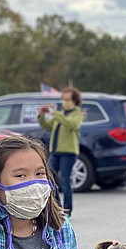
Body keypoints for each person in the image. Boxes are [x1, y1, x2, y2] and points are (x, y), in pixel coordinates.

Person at [38, 87, 84, 216]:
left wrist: (56, 113)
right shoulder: (60, 115)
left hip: (68, 152)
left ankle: (67, 210)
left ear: (74, 101)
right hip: (56, 151)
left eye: (67, 99)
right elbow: (47, 125)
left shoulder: (77, 114)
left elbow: (72, 125)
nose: (65, 102)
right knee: (50, 178)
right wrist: (41, 115)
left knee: (64, 180)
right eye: (63, 99)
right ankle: (56, 207)